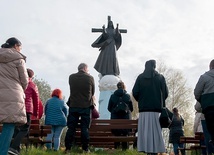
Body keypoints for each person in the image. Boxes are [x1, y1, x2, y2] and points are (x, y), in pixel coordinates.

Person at [132, 59, 168, 155]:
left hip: (144, 110)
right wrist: (160, 101)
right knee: (156, 132)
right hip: (157, 110)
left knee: (145, 132)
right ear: (154, 66)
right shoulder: (160, 78)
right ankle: (155, 151)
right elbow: (166, 93)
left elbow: (135, 92)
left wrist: (141, 100)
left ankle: (147, 150)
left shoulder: (140, 77)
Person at [0, 37, 28, 155]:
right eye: (20, 48)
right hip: (12, 94)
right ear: (16, 46)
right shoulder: (18, 59)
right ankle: (2, 152)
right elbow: (25, 80)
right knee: (9, 124)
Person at [64, 63, 95, 153]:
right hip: (86, 106)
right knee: (84, 128)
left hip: (73, 105)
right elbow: (92, 92)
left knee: (71, 128)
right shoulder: (90, 78)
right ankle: (85, 148)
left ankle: (68, 148)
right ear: (85, 68)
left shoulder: (71, 77)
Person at [9, 68, 40, 155]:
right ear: (31, 76)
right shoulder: (32, 85)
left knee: (16, 128)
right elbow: (36, 100)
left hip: (17, 108)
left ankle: (15, 150)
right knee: (25, 129)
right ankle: (14, 147)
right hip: (27, 109)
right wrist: (36, 113)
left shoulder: (17, 83)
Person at [108, 81, 133, 150]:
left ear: (117, 87)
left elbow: (109, 108)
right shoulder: (128, 96)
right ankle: (125, 150)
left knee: (116, 134)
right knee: (125, 134)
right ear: (124, 87)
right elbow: (131, 108)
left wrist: (115, 112)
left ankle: (117, 149)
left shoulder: (112, 96)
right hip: (126, 121)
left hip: (115, 121)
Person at [194, 59, 214, 145]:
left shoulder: (204, 77)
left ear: (210, 67)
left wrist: (202, 101)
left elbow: (197, 93)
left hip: (209, 108)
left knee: (212, 131)